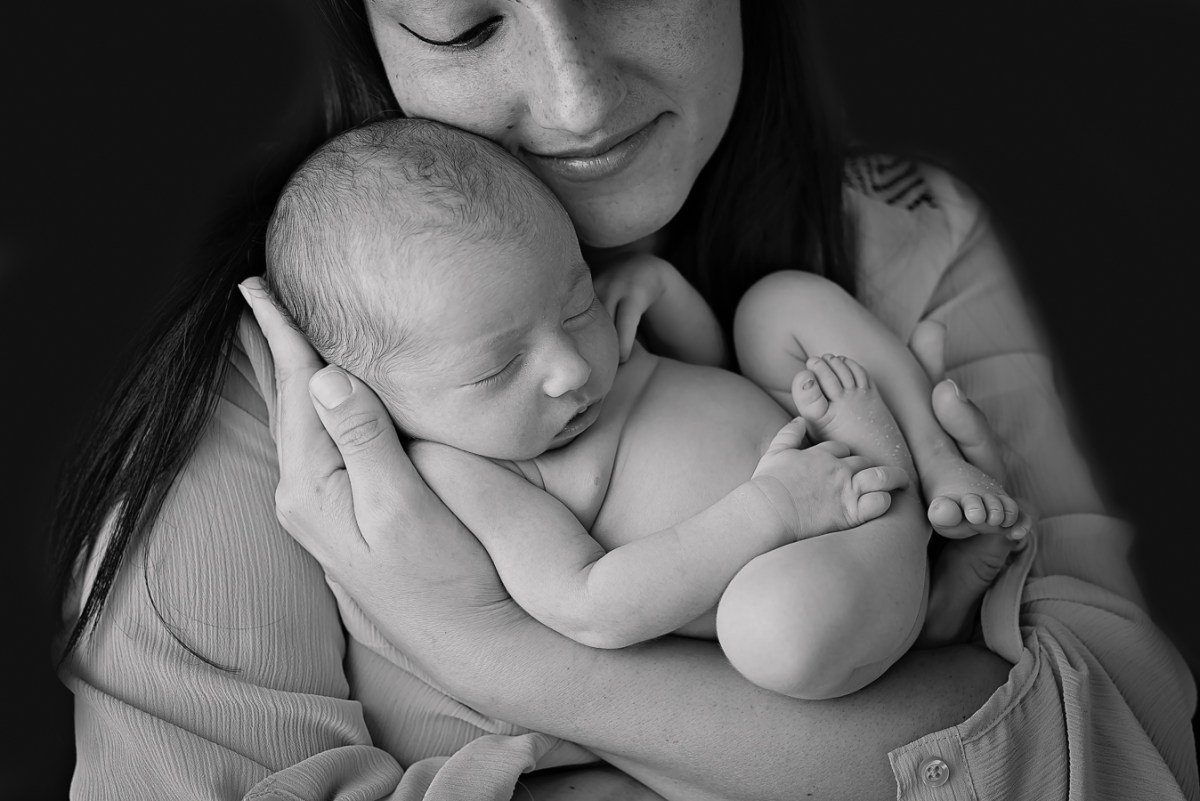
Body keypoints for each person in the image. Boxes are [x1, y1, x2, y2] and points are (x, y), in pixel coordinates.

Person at [54, 1, 1198, 799]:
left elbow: (1125, 745)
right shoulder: (298, 390)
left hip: (849, 504)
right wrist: (937, 715)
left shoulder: (904, 234)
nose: (575, 95)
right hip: (806, 554)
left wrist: (490, 656)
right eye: (463, 24)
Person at [263, 117, 1028, 701]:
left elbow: (707, 371)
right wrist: (772, 509)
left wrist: (665, 293)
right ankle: (908, 529)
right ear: (374, 397)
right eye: (499, 366)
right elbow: (590, 604)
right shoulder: (462, 472)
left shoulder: (580, 346)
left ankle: (933, 461)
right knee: (772, 634)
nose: (569, 368)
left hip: (800, 433)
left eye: (572, 302)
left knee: (778, 303)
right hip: (799, 554)